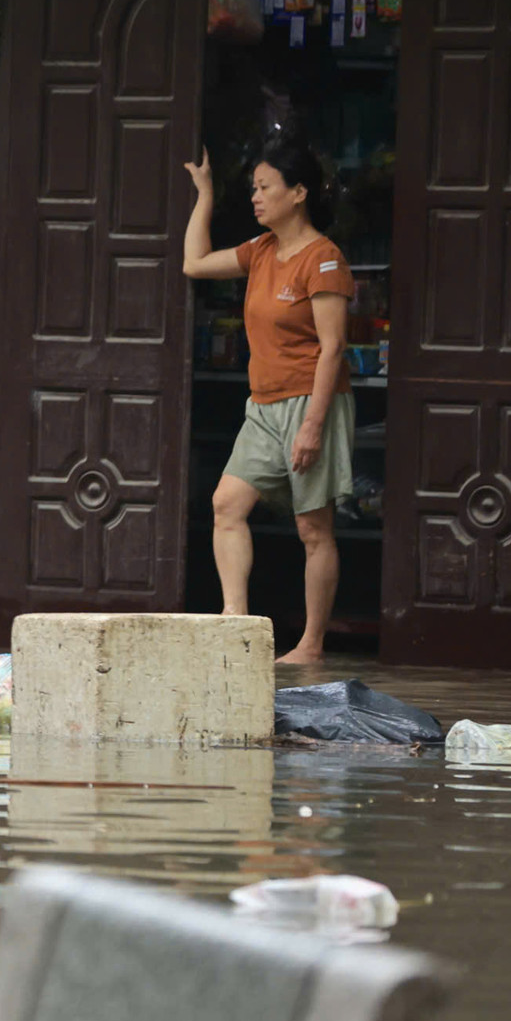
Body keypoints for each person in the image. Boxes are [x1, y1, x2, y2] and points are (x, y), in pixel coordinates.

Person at [182, 136, 354, 665]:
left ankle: (311, 644)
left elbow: (333, 348)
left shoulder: (323, 259)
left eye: (265, 187)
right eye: (253, 188)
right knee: (226, 505)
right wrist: (205, 194)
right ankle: (235, 622)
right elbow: (194, 263)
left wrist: (313, 426)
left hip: (310, 402)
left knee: (313, 527)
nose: (255, 197)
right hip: (262, 405)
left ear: (298, 193)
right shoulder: (259, 250)